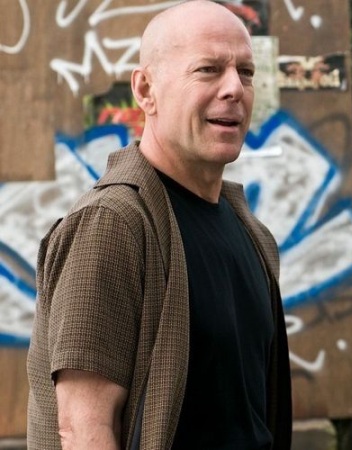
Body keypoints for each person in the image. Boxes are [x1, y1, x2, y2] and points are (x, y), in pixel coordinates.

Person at [26, 1, 292, 448]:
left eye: (245, 72)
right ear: (145, 90)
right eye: (208, 70)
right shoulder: (112, 224)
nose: (234, 88)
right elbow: (82, 429)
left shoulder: (252, 233)